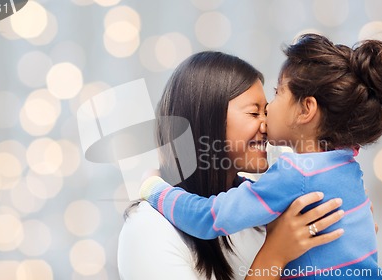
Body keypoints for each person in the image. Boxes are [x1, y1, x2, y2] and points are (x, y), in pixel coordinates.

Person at [141, 34, 382, 279]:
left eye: (277, 93)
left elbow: (209, 218)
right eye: (253, 112)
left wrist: (155, 190)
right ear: (208, 119)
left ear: (306, 110)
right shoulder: (347, 165)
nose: (267, 114)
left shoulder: (294, 172)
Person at [118, 51, 345, 280]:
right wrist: (274, 255)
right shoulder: (147, 228)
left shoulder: (261, 215)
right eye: (254, 112)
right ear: (207, 120)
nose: (267, 124)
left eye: (266, 112)